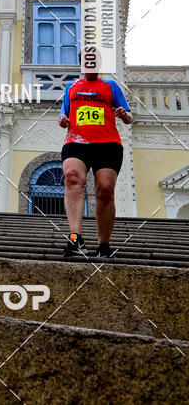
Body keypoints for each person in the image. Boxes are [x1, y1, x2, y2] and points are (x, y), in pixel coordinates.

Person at [59, 48, 132, 259]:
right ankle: (76, 237)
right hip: (76, 142)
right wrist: (63, 120)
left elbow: (129, 117)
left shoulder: (110, 86)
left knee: (105, 190)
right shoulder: (71, 87)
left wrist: (123, 114)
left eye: (94, 61)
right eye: (86, 61)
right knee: (72, 178)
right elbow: (64, 116)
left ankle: (104, 244)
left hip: (107, 144)